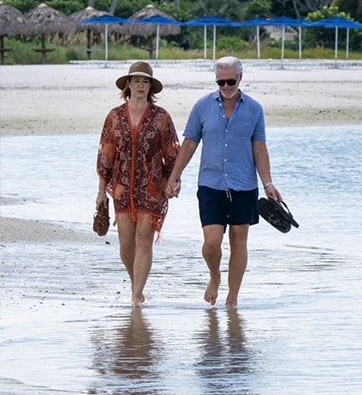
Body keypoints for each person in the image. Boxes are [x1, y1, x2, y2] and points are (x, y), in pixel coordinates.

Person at [166, 56, 281, 307]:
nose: (226, 86)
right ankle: (215, 276)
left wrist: (268, 183)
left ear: (240, 77)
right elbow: (189, 144)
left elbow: (259, 149)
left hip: (244, 184)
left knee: (239, 241)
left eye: (231, 81)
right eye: (221, 82)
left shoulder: (254, 109)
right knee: (211, 242)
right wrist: (174, 176)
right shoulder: (202, 106)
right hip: (210, 184)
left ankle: (232, 299)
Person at [96, 61, 180, 308]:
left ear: (150, 86)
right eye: (136, 81)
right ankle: (137, 284)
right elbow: (105, 154)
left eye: (145, 81)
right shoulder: (114, 116)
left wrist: (174, 180)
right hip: (121, 187)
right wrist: (101, 191)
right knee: (125, 244)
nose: (140, 85)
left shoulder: (161, 116)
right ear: (128, 84)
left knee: (144, 239)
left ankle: (135, 296)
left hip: (153, 187)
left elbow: (172, 152)